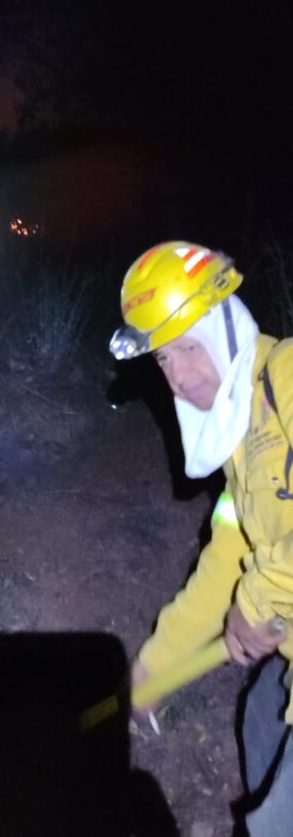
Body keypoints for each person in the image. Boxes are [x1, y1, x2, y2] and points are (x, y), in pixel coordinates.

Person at [110, 241, 293, 837]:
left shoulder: (286, 377)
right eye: (163, 360)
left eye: (189, 347)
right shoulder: (241, 449)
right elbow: (225, 566)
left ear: (226, 329)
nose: (180, 376)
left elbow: (260, 586)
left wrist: (263, 605)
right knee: (263, 718)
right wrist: (153, 669)